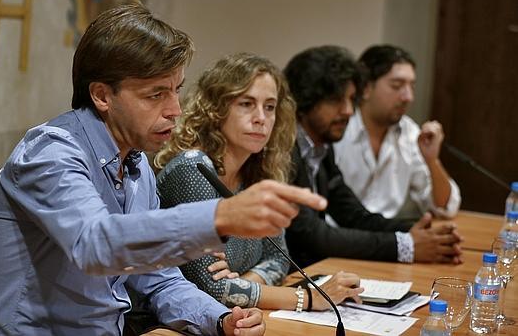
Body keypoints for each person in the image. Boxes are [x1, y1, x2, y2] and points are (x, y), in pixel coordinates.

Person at [0, 4, 327, 336]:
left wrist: (219, 319)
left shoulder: (137, 167)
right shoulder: (50, 153)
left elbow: (160, 280)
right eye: (156, 95)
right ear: (103, 96)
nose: (175, 109)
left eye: (176, 91)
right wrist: (220, 216)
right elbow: (97, 243)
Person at [154, 53, 364, 313]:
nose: (260, 118)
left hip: (239, 319)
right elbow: (210, 290)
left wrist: (241, 285)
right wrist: (309, 299)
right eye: (246, 103)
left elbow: (278, 261)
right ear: (216, 108)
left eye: (269, 106)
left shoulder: (260, 172)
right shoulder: (193, 169)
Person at [283, 45, 463, 268]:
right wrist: (404, 246)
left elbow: (352, 213)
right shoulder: (283, 151)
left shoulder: (321, 145)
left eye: (350, 99)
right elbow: (311, 235)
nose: (348, 110)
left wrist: (419, 233)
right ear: (307, 99)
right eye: (337, 100)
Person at [333, 44, 461, 220]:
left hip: (387, 237)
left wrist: (432, 161)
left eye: (411, 86)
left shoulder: (410, 133)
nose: (408, 97)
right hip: (340, 238)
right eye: (397, 85)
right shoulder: (338, 128)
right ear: (365, 88)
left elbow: (445, 206)